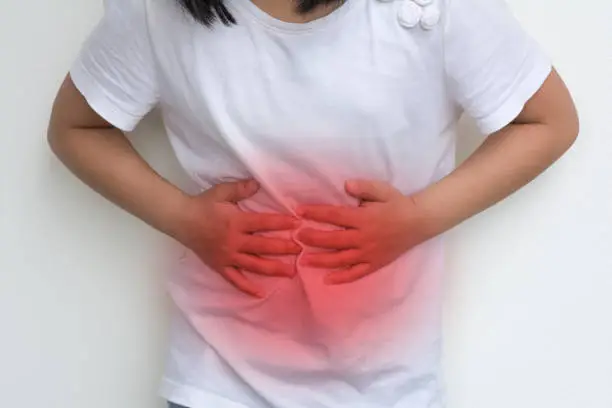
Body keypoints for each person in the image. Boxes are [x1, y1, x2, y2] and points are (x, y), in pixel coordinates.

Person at [47, 0, 578, 405]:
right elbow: (76, 128)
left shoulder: (431, 10)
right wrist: (182, 217)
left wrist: (418, 219)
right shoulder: (156, 12)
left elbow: (548, 121)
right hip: (216, 379)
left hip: (388, 383)